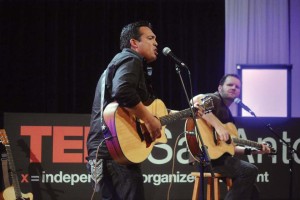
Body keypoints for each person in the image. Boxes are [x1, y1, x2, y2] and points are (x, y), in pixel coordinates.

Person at [86, 21, 202, 200]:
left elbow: (151, 109)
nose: (156, 42)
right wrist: (149, 119)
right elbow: (123, 91)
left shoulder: (122, 62)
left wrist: (187, 112)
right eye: (150, 38)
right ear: (134, 43)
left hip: (107, 153)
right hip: (113, 153)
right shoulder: (130, 58)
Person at [191, 74, 271, 200]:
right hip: (209, 159)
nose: (234, 88)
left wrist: (253, 150)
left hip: (222, 160)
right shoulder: (214, 99)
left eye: (237, 87)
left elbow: (230, 148)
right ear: (220, 88)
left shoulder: (229, 116)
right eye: (230, 85)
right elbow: (196, 101)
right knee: (249, 170)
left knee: (253, 192)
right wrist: (218, 126)